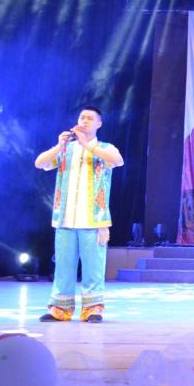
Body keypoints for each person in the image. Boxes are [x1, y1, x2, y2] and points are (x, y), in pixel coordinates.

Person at [34, 107, 124, 323]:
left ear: (99, 124)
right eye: (82, 117)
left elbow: (118, 160)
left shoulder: (105, 148)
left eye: (90, 118)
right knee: (64, 265)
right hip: (65, 218)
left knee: (93, 266)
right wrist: (59, 146)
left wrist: (86, 145)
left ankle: (92, 309)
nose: (84, 121)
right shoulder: (66, 149)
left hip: (94, 219)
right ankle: (60, 309)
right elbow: (39, 163)